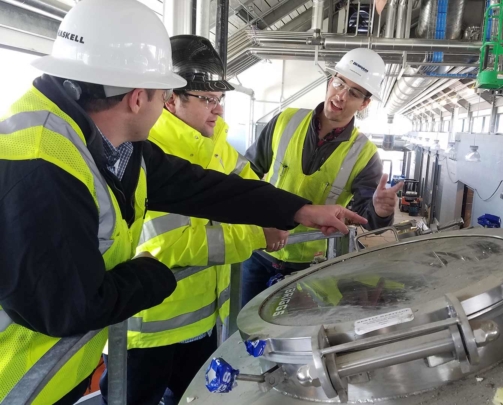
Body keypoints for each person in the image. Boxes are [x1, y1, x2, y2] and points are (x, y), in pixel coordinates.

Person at [0, 1, 366, 404]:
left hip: (52, 373)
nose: (166, 107)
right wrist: (154, 273)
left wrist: (299, 210)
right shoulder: (41, 163)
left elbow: (200, 187)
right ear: (139, 98)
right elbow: (69, 308)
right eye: (164, 95)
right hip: (19, 383)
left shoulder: (109, 145)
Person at [98, 35, 289, 405]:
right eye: (207, 100)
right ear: (170, 98)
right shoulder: (146, 150)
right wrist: (256, 236)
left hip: (201, 323)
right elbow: (169, 242)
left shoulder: (215, 142)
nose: (218, 110)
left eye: (220, 100)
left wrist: (284, 212)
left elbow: (251, 190)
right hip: (146, 330)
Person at [241, 48, 404, 307]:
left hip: (310, 264)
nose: (341, 95)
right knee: (247, 335)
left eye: (354, 92)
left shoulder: (365, 154)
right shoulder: (285, 120)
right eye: (339, 83)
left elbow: (369, 221)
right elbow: (247, 174)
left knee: (296, 341)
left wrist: (380, 210)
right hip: (259, 249)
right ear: (330, 81)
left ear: (364, 103)